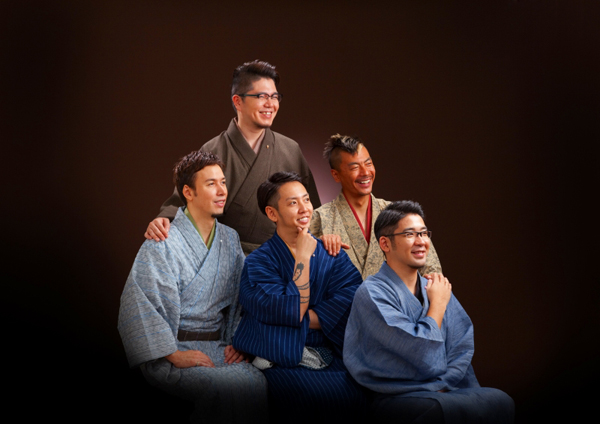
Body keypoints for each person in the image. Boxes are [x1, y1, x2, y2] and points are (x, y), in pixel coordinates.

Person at [118, 150, 268, 423]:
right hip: (173, 349)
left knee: (256, 382)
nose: (222, 191)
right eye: (211, 184)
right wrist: (173, 354)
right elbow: (140, 303)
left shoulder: (230, 238)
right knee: (222, 389)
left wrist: (239, 342)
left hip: (219, 345)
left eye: (223, 182)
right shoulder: (163, 241)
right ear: (188, 192)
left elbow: (242, 298)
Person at [343, 201, 515, 424]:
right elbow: (419, 352)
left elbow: (460, 347)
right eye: (410, 234)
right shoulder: (372, 292)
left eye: (424, 233)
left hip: (443, 388)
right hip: (396, 395)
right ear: (385, 243)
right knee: (439, 410)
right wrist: (438, 305)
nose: (421, 241)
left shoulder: (434, 287)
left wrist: (443, 383)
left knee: (501, 400)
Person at [145, 60, 320, 254]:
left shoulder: (290, 149)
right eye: (262, 96)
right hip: (224, 255)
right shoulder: (213, 149)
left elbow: (313, 210)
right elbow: (183, 200)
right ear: (238, 101)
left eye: (274, 96)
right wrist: (164, 218)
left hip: (282, 256)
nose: (271, 104)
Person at [232, 172, 367, 424]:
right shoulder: (258, 261)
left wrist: (297, 318)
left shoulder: (332, 253)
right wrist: (303, 258)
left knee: (357, 395)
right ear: (272, 213)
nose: (305, 208)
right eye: (293, 202)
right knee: (307, 397)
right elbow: (290, 310)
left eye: (306, 199)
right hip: (279, 358)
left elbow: (351, 298)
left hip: (329, 355)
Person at [310, 134, 442, 279]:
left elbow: (431, 268)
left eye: (368, 164)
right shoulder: (319, 218)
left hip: (394, 294)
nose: (365, 173)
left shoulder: (398, 214)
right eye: (354, 167)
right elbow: (303, 272)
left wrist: (432, 282)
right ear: (336, 175)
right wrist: (319, 248)